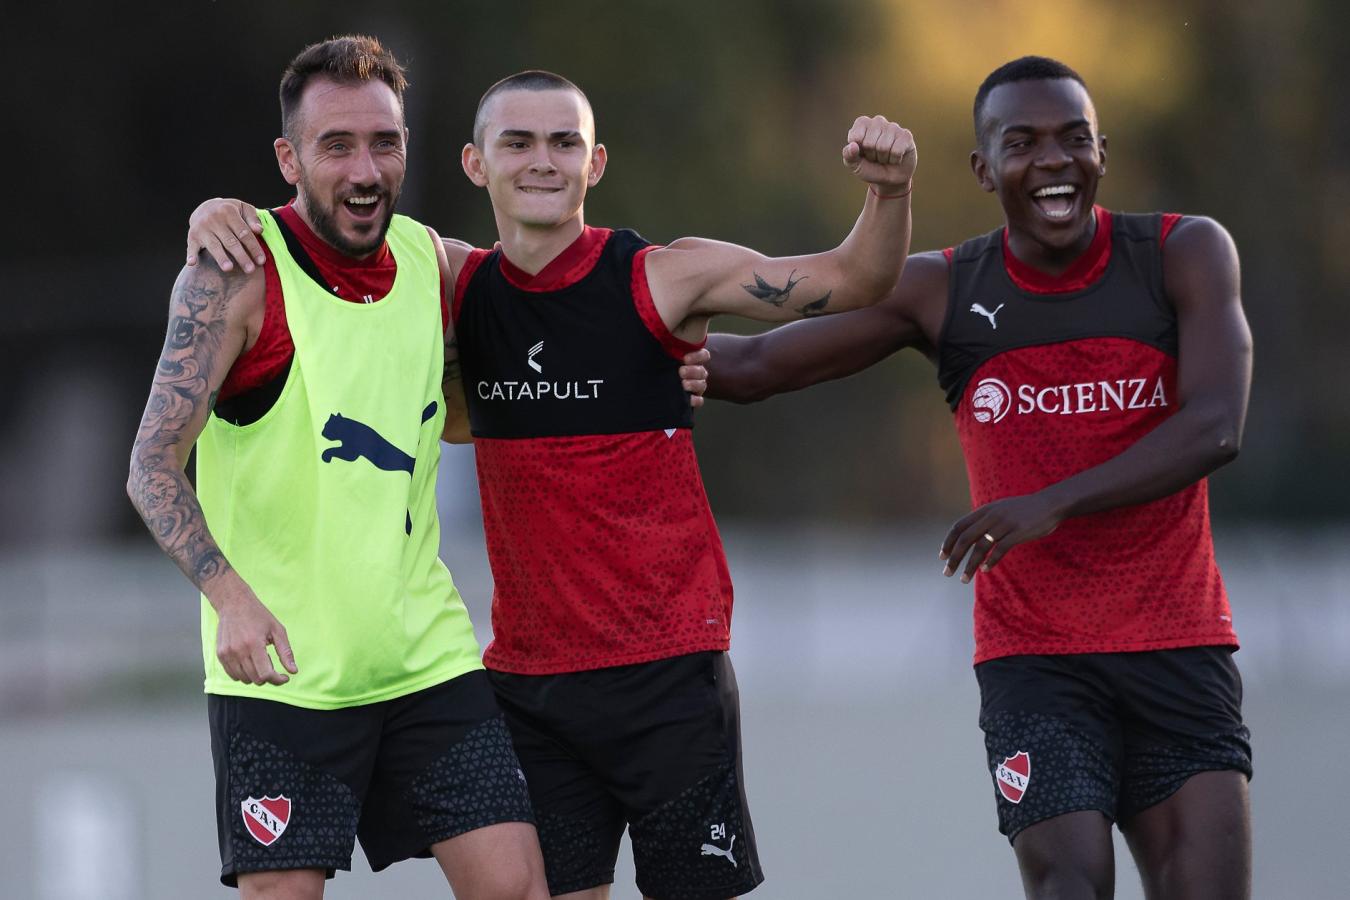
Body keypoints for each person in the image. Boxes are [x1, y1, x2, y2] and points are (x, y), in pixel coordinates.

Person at [189, 70, 917, 899]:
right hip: (531, 693)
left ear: (595, 162)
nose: (544, 161)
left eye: (565, 142)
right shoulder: (451, 286)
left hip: (668, 675)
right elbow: (329, 255)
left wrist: (887, 194)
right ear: (474, 163)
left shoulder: (661, 278)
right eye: (519, 142)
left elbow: (853, 280)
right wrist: (219, 212)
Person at [692, 56, 1254, 900]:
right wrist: (599, 329)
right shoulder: (946, 288)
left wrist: (1051, 503)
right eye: (1022, 143)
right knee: (1069, 885)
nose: (1053, 160)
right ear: (983, 170)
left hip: (1179, 645)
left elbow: (1215, 426)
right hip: (1037, 664)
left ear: (1104, 150)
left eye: (1073, 139)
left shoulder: (1182, 253)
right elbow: (758, 364)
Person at [127, 36, 550, 898]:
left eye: (384, 143)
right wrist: (231, 600)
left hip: (425, 661)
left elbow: (542, 336)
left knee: (516, 889)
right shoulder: (235, 274)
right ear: (288, 159)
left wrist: (687, 362)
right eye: (337, 145)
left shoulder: (434, 264)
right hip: (282, 682)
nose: (366, 169)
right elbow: (150, 466)